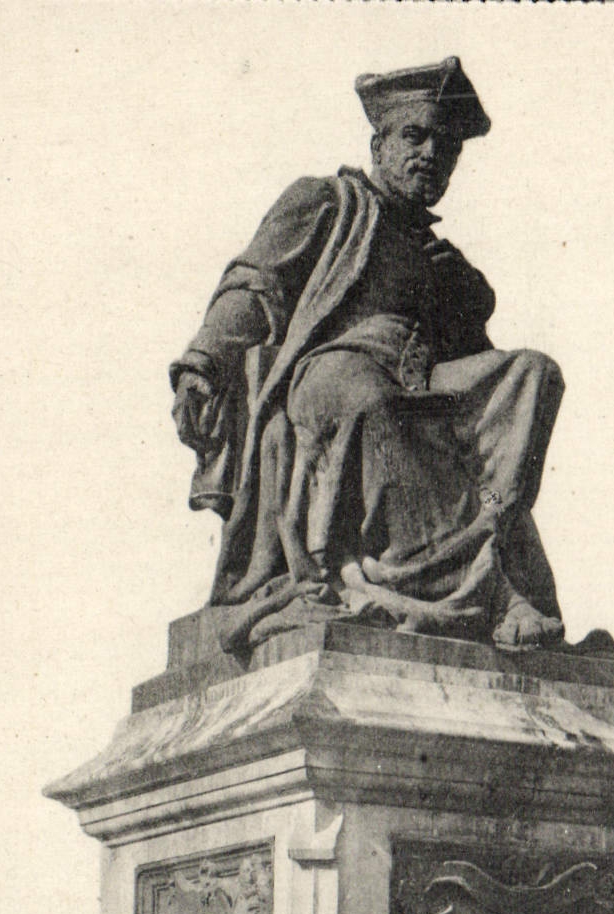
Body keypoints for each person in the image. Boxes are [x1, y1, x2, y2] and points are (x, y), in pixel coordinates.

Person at [171, 57, 567, 651]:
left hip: (422, 375)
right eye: (416, 135)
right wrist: (202, 361)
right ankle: (472, 589)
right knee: (377, 405)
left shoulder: (437, 252)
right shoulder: (328, 201)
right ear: (379, 144)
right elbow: (254, 284)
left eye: (447, 147)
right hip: (333, 368)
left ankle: (490, 533)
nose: (431, 153)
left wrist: (467, 295)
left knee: (533, 374)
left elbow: (466, 352)